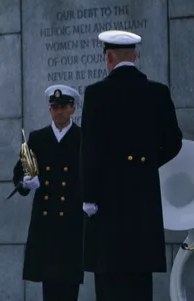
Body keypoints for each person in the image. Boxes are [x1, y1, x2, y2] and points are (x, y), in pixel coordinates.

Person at [81, 30, 182, 301]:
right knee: (139, 281)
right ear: (135, 56)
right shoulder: (157, 92)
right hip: (143, 201)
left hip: (107, 201)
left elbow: (89, 150)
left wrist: (89, 198)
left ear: (109, 58)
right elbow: (174, 142)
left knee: (110, 281)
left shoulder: (96, 94)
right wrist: (147, 164)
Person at [11, 85, 84, 301]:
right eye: (54, 108)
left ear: (72, 109)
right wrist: (26, 182)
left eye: (63, 107)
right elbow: (19, 173)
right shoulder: (37, 137)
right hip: (46, 223)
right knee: (49, 287)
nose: (58, 112)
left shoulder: (82, 137)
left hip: (72, 223)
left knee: (69, 286)